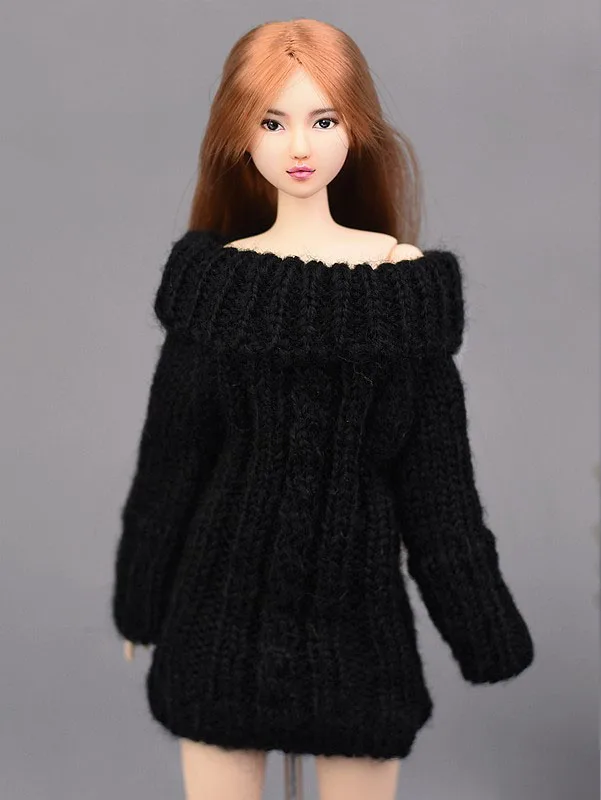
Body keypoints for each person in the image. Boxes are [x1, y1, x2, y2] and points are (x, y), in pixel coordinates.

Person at [111, 18, 535, 800]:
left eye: (323, 120)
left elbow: (438, 496)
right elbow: (171, 466)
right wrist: (139, 603)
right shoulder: (217, 289)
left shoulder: (401, 293)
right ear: (239, 135)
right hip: (218, 625)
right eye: (271, 122)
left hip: (359, 632)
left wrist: (484, 631)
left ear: (356, 130)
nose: (298, 145)